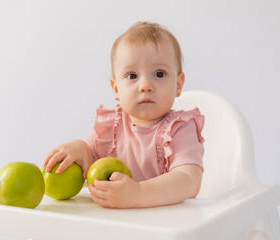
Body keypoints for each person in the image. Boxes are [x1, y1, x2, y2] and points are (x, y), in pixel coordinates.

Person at [43, 22, 205, 209]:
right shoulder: (110, 127)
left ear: (178, 84)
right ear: (116, 89)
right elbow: (88, 154)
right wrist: (78, 148)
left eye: (159, 74)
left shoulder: (180, 129)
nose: (145, 85)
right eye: (132, 76)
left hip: (166, 227)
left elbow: (188, 180)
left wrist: (138, 194)